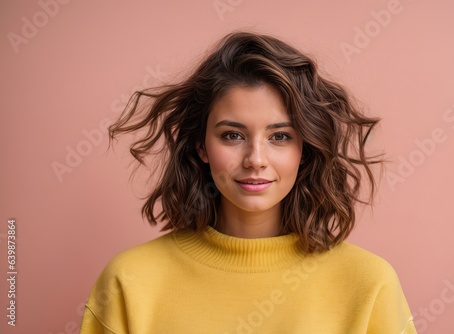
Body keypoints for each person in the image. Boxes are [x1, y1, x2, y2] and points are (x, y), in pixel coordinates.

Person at [79, 31, 417, 333]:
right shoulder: (129, 282)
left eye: (280, 136)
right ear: (202, 146)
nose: (255, 159)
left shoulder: (369, 285)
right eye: (232, 135)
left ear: (306, 148)